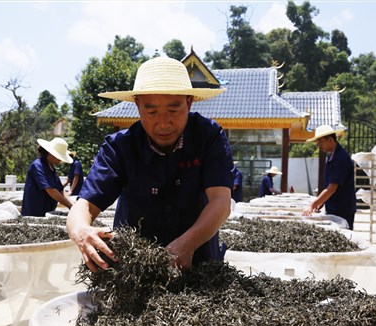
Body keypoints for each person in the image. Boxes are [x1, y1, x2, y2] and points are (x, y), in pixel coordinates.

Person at [66, 56, 234, 272]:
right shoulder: (120, 147)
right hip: (133, 267)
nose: (163, 122)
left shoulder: (208, 137)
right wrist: (80, 230)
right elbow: (84, 206)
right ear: (137, 106)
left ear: (189, 102)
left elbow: (221, 202)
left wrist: (186, 245)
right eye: (151, 111)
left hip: (198, 259)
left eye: (173, 110)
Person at [302, 125, 357, 230]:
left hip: (342, 208)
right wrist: (322, 202)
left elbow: (332, 188)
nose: (318, 145)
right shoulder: (332, 157)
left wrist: (312, 204)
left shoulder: (340, 158)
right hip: (334, 207)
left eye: (320, 141)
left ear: (330, 140)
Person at [21, 137, 74, 217]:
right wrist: (70, 206)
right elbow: (51, 190)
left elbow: (60, 190)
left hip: (47, 212)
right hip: (33, 214)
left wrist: (72, 204)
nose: (60, 160)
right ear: (50, 153)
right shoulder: (37, 166)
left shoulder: (51, 168)